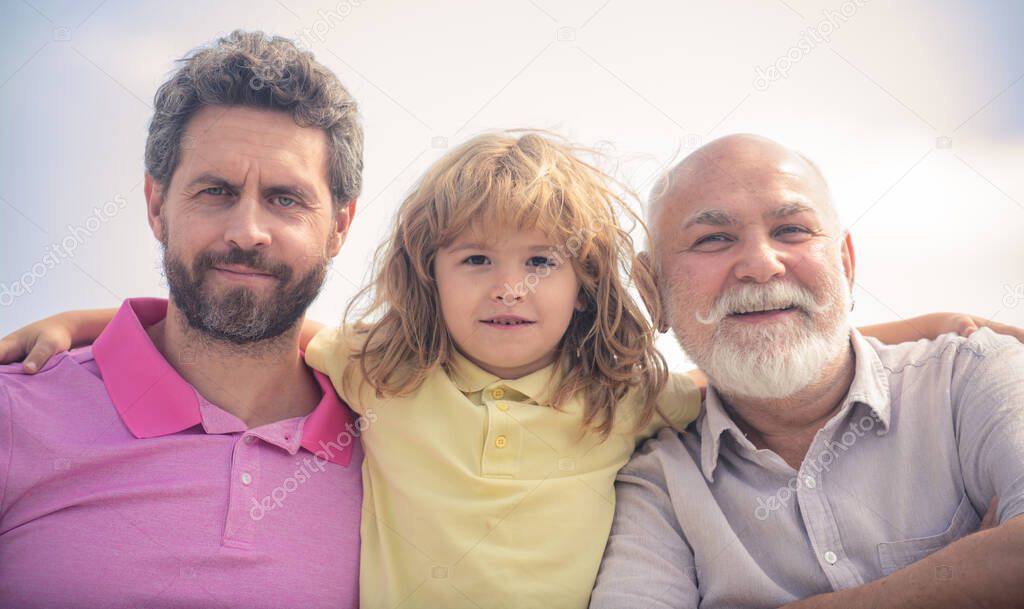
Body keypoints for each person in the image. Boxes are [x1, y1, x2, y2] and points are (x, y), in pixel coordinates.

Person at [2, 130, 1017, 609]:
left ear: (586, 284)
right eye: (474, 260)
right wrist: (94, 318)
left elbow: (751, 365)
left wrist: (932, 323)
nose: (508, 289)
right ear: (424, 275)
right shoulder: (383, 370)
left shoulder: (619, 397)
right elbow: (246, 332)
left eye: (542, 263)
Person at [0, 31, 364, 608]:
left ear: (340, 226)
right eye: (215, 191)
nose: (247, 231)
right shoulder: (13, 411)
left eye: (286, 199)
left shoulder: (397, 440)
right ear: (156, 206)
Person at [589, 134, 1024, 609]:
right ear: (653, 293)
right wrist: (969, 578)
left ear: (845, 263)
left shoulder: (974, 378)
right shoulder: (659, 485)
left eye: (792, 229)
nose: (761, 264)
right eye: (713, 238)